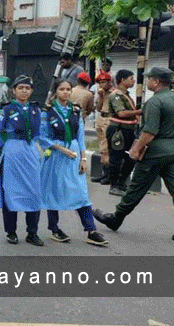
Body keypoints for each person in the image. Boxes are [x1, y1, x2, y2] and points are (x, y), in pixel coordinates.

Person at [95, 67, 174, 242]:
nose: (146, 82)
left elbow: (149, 132)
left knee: (136, 188)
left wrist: (135, 150)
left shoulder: (155, 102)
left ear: (156, 81)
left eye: (149, 79)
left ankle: (115, 219)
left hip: (155, 151)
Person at [0, 76, 55, 247]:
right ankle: (11, 232)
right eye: (20, 87)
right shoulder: (7, 110)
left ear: (31, 91)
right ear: (14, 90)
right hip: (13, 155)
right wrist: (7, 148)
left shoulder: (35, 110)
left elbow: (40, 134)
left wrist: (53, 148)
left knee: (34, 193)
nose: (24, 90)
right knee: (11, 193)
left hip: (31, 155)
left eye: (27, 88)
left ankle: (32, 233)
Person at [41, 79, 108, 247]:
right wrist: (61, 149)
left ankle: (91, 231)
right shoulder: (47, 112)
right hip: (56, 156)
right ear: (56, 92)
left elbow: (80, 136)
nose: (65, 92)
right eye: (62, 89)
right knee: (53, 192)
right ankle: (54, 228)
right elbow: (43, 137)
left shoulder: (76, 111)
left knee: (81, 194)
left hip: (74, 155)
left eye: (68, 89)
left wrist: (83, 158)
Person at [105, 70, 142, 196]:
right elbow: (121, 113)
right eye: (131, 78)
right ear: (122, 80)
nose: (133, 81)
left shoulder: (125, 95)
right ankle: (114, 185)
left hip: (129, 130)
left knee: (131, 157)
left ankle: (122, 183)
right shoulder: (116, 95)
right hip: (118, 131)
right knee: (116, 158)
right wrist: (139, 112)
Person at [92, 71, 114, 183]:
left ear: (109, 82)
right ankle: (104, 173)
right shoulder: (101, 93)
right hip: (101, 118)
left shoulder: (114, 93)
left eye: (104, 82)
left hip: (109, 119)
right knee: (101, 146)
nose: (101, 85)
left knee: (107, 147)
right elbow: (98, 108)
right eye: (100, 82)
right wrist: (100, 96)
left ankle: (110, 174)